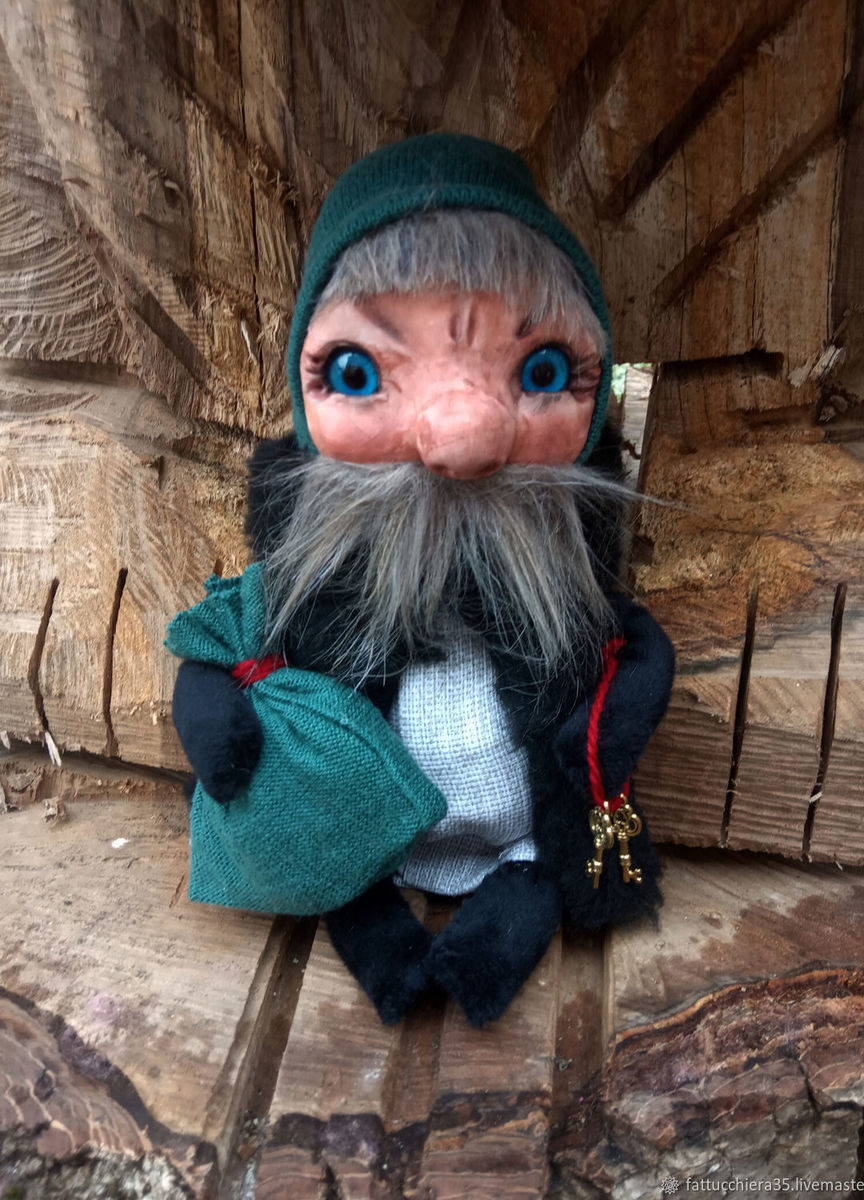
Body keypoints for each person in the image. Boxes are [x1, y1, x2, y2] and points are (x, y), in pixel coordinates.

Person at [172, 133, 675, 1028]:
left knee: (538, 876)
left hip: (525, 830)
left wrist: (617, 713)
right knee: (343, 887)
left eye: (541, 372)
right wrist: (213, 710)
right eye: (360, 372)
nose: (463, 438)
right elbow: (225, 642)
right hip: (365, 827)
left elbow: (628, 654)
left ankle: (513, 908)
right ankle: (376, 933)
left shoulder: (571, 587)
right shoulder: (306, 582)